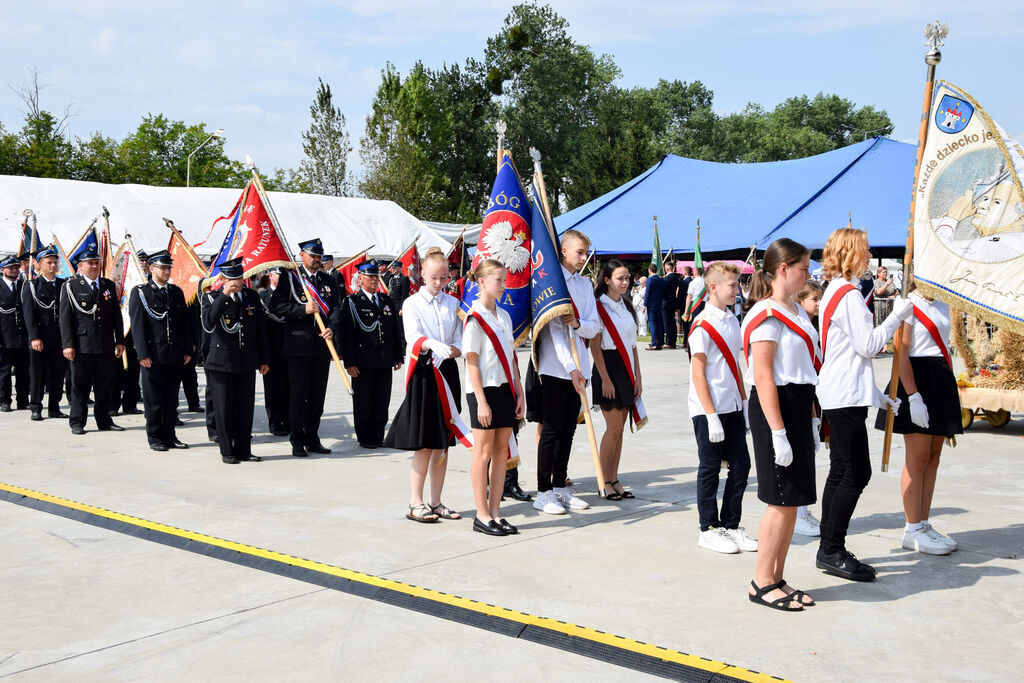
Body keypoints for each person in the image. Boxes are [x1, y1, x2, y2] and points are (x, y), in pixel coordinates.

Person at [816, 228, 912, 581]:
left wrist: (877, 395)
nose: (870, 254)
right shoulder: (848, 296)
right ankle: (832, 549)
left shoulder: (838, 292)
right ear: (852, 252)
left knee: (842, 470)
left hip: (844, 391)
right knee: (855, 472)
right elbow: (868, 346)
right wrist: (897, 315)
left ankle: (829, 545)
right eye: (866, 249)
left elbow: (849, 355)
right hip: (843, 395)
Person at [741, 238, 818, 612]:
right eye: (803, 267)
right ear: (783, 270)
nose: (809, 273)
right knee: (779, 499)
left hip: (798, 405)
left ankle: (777, 577)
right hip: (776, 408)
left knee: (794, 500)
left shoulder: (797, 312)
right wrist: (778, 431)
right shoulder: (765, 315)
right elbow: (764, 375)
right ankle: (760, 581)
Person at [874, 284, 962, 555]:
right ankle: (911, 528)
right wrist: (913, 396)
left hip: (939, 378)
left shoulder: (943, 303)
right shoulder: (908, 304)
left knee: (934, 457)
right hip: (915, 379)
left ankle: (923, 523)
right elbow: (902, 354)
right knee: (918, 457)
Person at [383, 248, 464, 523]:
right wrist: (432, 344)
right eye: (434, 278)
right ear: (422, 275)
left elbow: (461, 338)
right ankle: (415, 502)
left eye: (443, 277)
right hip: (424, 373)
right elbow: (413, 336)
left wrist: (454, 350)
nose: (439, 283)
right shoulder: (412, 303)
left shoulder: (453, 304)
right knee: (424, 443)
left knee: (442, 443)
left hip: (447, 371)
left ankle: (436, 501)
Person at [689, 262, 756, 554]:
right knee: (710, 468)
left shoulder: (732, 319)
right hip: (708, 409)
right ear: (712, 287)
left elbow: (734, 364)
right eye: (732, 285)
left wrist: (743, 401)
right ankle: (708, 528)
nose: (737, 290)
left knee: (741, 466)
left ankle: (730, 525)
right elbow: (698, 372)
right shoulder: (702, 324)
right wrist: (711, 415)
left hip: (732, 405)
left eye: (738, 284)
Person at [531, 229, 599, 515]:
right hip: (555, 366)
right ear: (564, 251)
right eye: (579, 252)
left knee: (569, 430)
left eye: (586, 253)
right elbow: (554, 332)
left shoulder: (583, 285)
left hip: (579, 363)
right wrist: (570, 368)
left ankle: (560, 484)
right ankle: (543, 490)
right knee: (552, 428)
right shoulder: (552, 280)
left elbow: (595, 326)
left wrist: (578, 322)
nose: (583, 258)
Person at [464, 258, 524, 536]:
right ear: (482, 283)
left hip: (505, 390)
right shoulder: (474, 318)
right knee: (484, 452)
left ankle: (496, 512)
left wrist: (519, 391)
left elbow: (511, 357)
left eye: (504, 280)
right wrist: (481, 401)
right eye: (498, 280)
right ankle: (481, 514)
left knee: (501, 453)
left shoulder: (505, 316)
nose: (503, 285)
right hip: (483, 391)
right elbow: (472, 362)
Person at [268, 238, 342, 457]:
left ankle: (313, 436)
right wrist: (302, 309)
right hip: (298, 346)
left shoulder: (328, 280)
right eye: (313, 256)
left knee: (317, 397)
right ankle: (298, 440)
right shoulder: (291, 279)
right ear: (302, 256)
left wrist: (332, 328)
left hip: (321, 345)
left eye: (320, 256)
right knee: (299, 397)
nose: (317, 260)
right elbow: (277, 306)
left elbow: (338, 308)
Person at [201, 258, 269, 464]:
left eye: (239, 277)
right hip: (220, 361)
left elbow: (261, 330)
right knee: (223, 408)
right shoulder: (211, 297)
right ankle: (227, 451)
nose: (236, 282)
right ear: (222, 279)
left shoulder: (251, 296)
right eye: (231, 278)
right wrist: (224, 294)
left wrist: (264, 359)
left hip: (245, 360)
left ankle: (244, 449)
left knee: (245, 408)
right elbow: (209, 322)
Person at [128, 250, 194, 452]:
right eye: (162, 267)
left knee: (171, 399)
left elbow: (184, 323)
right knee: (154, 400)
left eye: (168, 267)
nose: (166, 271)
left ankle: (170, 435)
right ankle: (155, 436)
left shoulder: (176, 292)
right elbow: (137, 325)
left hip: (174, 354)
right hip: (153, 355)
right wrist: (143, 354)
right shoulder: (141, 292)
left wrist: (187, 348)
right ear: (151, 268)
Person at [591, 260, 645, 501]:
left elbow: (632, 346)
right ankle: (604, 481)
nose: (625, 282)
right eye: (620, 278)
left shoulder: (626, 305)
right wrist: (604, 379)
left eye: (627, 278)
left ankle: (614, 478)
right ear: (606, 280)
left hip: (626, 368)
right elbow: (595, 346)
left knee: (620, 431)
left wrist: (638, 377)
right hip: (608, 367)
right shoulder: (597, 307)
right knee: (612, 429)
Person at [59, 249, 125, 435]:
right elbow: (65, 318)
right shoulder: (71, 286)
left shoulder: (107, 286)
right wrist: (68, 344)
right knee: (80, 387)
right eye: (90, 263)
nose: (95, 266)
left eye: (97, 262)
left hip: (105, 345)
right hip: (82, 345)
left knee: (104, 386)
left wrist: (119, 340)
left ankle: (104, 420)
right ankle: (77, 422)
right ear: (80, 266)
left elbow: (116, 316)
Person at [339, 263, 404, 447]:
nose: (374, 279)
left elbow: (394, 330)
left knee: (382, 400)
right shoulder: (352, 302)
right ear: (360, 278)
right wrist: (350, 362)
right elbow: (347, 335)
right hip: (363, 361)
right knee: (363, 401)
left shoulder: (386, 300)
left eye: (376, 276)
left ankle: (377, 435)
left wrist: (398, 356)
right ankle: (365, 437)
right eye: (370, 276)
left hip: (384, 360)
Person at [793, 280, 824, 537]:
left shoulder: (811, 325)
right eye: (814, 299)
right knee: (800, 457)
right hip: (800, 396)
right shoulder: (800, 325)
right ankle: (799, 512)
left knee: (809, 455)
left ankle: (804, 510)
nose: (819, 304)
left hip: (812, 397)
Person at [21, 247, 67, 421]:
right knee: (37, 375)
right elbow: (29, 314)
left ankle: (54, 407)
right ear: (39, 265)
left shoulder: (64, 285)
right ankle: (36, 407)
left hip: (60, 338)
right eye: (49, 262)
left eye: (55, 262)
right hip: (40, 338)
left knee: (57, 375)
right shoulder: (31, 286)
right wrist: (34, 337)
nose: (53, 265)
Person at [259, 268, 290, 436]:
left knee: (291, 388)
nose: (284, 278)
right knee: (273, 389)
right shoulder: (262, 298)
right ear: (271, 276)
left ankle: (289, 420)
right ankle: (276, 421)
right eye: (280, 274)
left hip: (290, 350)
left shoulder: (290, 296)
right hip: (271, 350)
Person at [0, 254, 29, 412]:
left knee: (23, 371)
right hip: (5, 337)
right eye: (10, 268)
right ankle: (4, 400)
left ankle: (23, 400)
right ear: (3, 269)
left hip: (22, 337)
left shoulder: (24, 286)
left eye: (16, 268)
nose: (14, 270)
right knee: (4, 372)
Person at [682, 267, 707, 354]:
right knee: (703, 325)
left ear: (695, 273)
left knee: (693, 325)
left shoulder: (692, 283)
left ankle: (692, 346)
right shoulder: (706, 282)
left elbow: (689, 296)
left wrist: (686, 310)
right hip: (705, 305)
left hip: (695, 305)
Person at [643, 263, 665, 350]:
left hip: (651, 304)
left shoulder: (650, 280)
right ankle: (659, 342)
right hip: (659, 304)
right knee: (659, 323)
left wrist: (644, 304)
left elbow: (647, 293)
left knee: (652, 323)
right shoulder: (661, 280)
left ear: (650, 270)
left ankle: (653, 342)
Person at [661, 262, 681, 349]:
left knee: (667, 323)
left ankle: (669, 342)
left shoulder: (666, 279)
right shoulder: (677, 278)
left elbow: (663, 292)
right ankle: (673, 341)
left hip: (666, 303)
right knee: (673, 323)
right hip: (674, 302)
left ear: (666, 268)